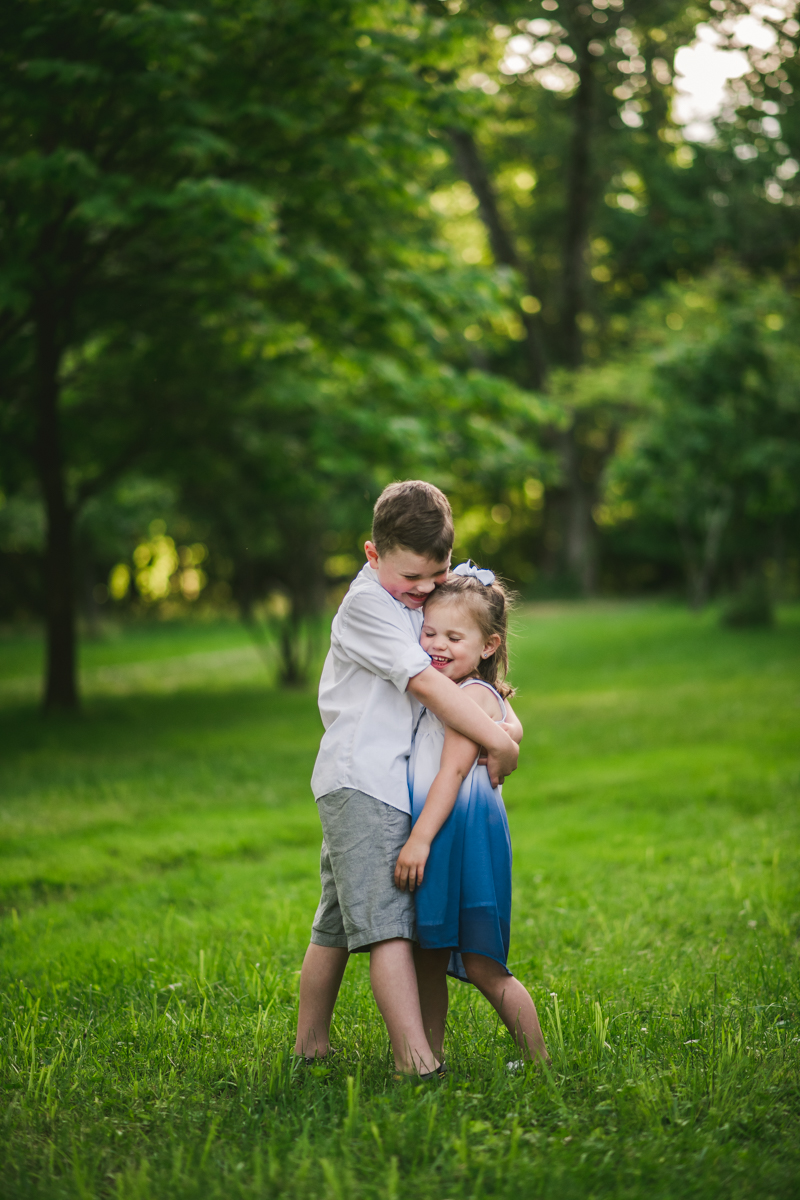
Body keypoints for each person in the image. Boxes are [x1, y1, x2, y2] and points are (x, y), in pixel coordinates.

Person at [293, 482, 521, 1079]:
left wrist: (506, 722)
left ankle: (310, 1044)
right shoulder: (367, 605)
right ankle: (414, 1061)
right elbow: (425, 685)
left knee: (338, 922)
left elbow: (473, 685)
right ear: (373, 555)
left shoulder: (412, 599)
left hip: (379, 783)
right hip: (366, 780)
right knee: (390, 928)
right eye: (412, 579)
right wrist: (497, 739)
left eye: (436, 575)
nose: (426, 591)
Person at [394, 563, 549, 1067]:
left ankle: (538, 1060)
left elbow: (452, 775)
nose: (436, 644)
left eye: (453, 636)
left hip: (456, 837)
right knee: (429, 957)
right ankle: (429, 1057)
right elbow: (512, 728)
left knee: (484, 965)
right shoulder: (468, 691)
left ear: (489, 645)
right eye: (430, 631)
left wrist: (418, 840)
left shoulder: (472, 696)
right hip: (449, 834)